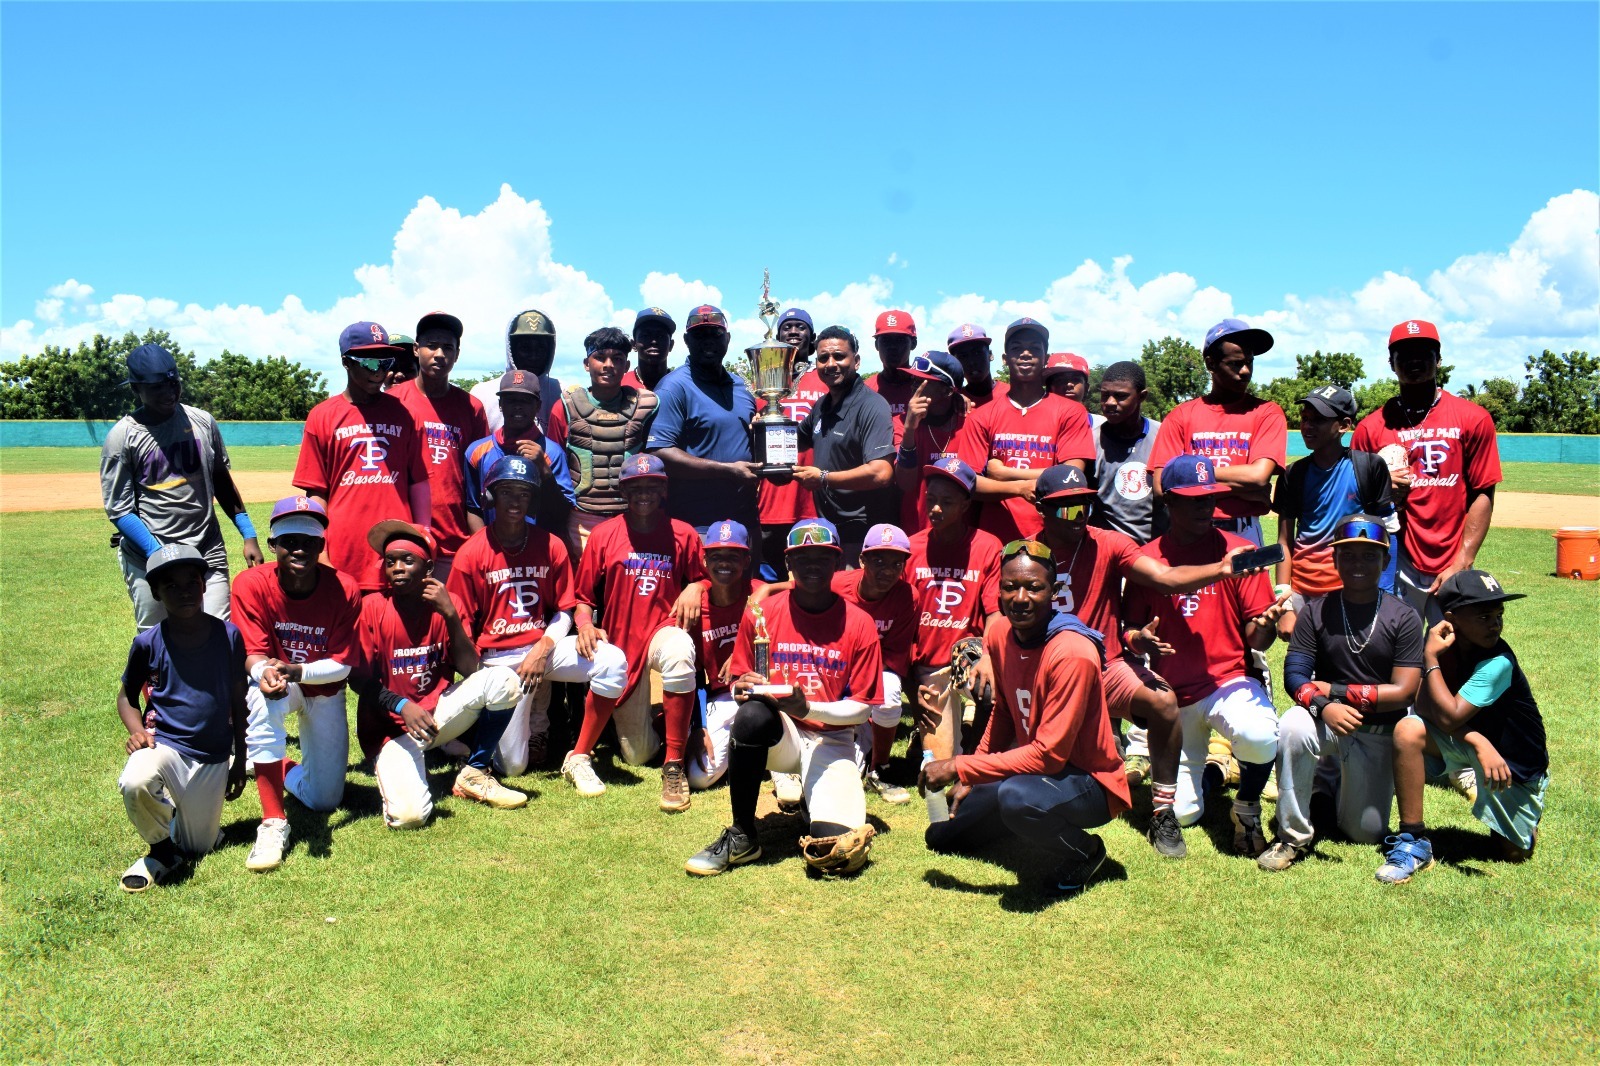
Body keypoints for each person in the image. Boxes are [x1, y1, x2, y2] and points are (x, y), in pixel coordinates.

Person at [1032, 464, 1266, 858]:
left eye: (1084, 505)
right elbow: (1002, 616)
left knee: (1161, 700)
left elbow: (1164, 578)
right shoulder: (1024, 553)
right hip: (1043, 671)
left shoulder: (1109, 543)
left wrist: (1222, 569)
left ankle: (1162, 812)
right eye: (1064, 508)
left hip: (1105, 667)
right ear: (1041, 509)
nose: (1077, 516)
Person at [920, 541, 1132, 898]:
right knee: (941, 837)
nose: (1020, 598)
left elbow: (1049, 755)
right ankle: (1015, 818)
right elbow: (1004, 711)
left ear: (1054, 591)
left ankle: (1087, 851)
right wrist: (974, 773)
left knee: (1017, 799)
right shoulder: (999, 633)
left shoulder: (1072, 652)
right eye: (1010, 587)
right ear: (998, 589)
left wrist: (960, 766)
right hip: (1033, 772)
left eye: (1034, 587)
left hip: (1089, 783)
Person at [684, 519, 885, 878]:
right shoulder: (762, 613)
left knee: (834, 851)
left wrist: (809, 707)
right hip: (783, 733)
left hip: (832, 738)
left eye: (822, 558)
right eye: (802, 558)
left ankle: (815, 798)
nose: (812, 566)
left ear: (837, 563)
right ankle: (743, 835)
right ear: (788, 563)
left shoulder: (859, 622)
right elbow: (742, 680)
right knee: (751, 715)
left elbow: (862, 708)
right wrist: (740, 689)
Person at [1121, 456, 1287, 856]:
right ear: (1168, 502)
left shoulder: (1240, 551)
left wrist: (1264, 625)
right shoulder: (1147, 558)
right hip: (1172, 696)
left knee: (1260, 735)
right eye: (1192, 499)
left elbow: (1257, 640)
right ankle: (1214, 772)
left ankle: (1246, 806)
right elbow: (1127, 631)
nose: (1204, 507)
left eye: (1209, 498)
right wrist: (1139, 640)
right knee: (1184, 813)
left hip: (1226, 681)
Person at [446, 456, 628, 781]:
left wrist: (542, 648)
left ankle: (578, 754)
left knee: (612, 661)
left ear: (533, 499)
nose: (515, 501)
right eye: (506, 492)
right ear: (491, 496)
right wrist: (480, 677)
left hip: (543, 650)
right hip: (499, 661)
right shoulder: (471, 553)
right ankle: (487, 722)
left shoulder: (550, 544)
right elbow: (461, 627)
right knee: (514, 767)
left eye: (524, 493)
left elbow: (564, 609)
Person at [1260, 515, 1422, 871]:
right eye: (1347, 555)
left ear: (1385, 560)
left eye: (1369, 555)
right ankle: (1292, 835)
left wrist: (1336, 692)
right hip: (1328, 721)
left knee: (1364, 833)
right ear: (1334, 559)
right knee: (1293, 725)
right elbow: (1295, 676)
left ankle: (1325, 788)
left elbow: (1405, 692)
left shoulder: (1404, 616)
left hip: (1377, 730)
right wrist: (1323, 706)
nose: (1357, 564)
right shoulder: (1315, 611)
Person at [353, 520, 529, 829]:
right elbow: (358, 679)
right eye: (390, 561)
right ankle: (405, 766)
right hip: (390, 729)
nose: (397, 568)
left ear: (429, 568)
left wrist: (450, 616)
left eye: (408, 560)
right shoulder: (372, 607)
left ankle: (474, 773)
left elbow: (470, 669)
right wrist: (400, 705)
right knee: (410, 817)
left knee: (504, 680)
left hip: (437, 718)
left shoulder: (449, 605)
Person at [1378, 570, 1547, 883]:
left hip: (1513, 765)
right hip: (1475, 747)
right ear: (1451, 619)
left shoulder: (1498, 662)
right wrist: (1478, 742)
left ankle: (1524, 818)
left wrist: (1430, 657)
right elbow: (1423, 706)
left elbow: (1449, 717)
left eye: (1499, 615)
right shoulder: (1443, 647)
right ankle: (1413, 838)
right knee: (1408, 730)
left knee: (1513, 852)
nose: (1495, 624)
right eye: (1483, 617)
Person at [230, 497, 365, 873]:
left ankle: (275, 765)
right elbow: (253, 653)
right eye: (289, 541)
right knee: (264, 701)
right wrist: (265, 673)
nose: (300, 549)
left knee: (324, 800)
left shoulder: (344, 588)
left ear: (322, 545)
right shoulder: (250, 583)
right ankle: (273, 822)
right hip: (281, 682)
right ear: (272, 544)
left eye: (310, 542)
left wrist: (295, 670)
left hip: (322, 687)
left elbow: (341, 666)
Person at [569, 454, 706, 810]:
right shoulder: (603, 534)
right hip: (622, 645)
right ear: (624, 492)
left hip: (663, 630)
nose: (644, 494)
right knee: (637, 754)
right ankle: (669, 722)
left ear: (663, 491)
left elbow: (705, 578)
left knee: (680, 651)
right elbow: (583, 598)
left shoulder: (683, 533)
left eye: (651, 487)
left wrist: (696, 586)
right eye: (636, 488)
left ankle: (674, 764)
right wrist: (585, 624)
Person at [114, 545, 248, 891]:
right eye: (171, 585)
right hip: (165, 744)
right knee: (136, 780)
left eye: (192, 582)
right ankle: (161, 851)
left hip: (213, 755)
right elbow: (126, 697)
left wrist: (239, 760)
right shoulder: (147, 642)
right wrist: (137, 731)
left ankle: (177, 814)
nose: (184, 591)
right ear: (156, 592)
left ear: (204, 585)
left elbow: (238, 700)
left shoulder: (228, 636)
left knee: (198, 846)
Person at [101, 343, 262, 630]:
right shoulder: (123, 437)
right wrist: (158, 554)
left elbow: (222, 482)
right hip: (150, 554)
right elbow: (120, 510)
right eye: (157, 387)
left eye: (173, 383)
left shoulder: (202, 422)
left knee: (217, 632)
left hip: (206, 548)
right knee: (156, 637)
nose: (169, 392)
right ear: (136, 389)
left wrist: (248, 534)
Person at [1351, 320, 1502, 623]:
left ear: (1439, 359)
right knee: (1392, 642)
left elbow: (1483, 491)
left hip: (1452, 558)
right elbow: (1354, 500)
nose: (1414, 361)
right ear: (1391, 363)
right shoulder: (1370, 428)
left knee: (1450, 644)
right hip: (1395, 557)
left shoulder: (1473, 418)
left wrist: (1464, 558)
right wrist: (1380, 490)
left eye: (1424, 353)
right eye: (1404, 355)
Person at [293, 322, 431, 593]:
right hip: (344, 548)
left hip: (397, 549)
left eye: (385, 362)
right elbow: (317, 491)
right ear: (346, 362)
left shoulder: (406, 414)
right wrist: (321, 549)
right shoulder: (322, 416)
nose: (379, 371)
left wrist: (423, 533)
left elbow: (419, 482)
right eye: (368, 362)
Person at [1089, 360, 1166, 786]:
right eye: (1105, 395)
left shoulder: (1160, 437)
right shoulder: (1092, 437)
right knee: (1107, 649)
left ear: (1142, 397)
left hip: (1148, 561)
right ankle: (1108, 739)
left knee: (1148, 645)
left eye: (1121, 396)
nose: (1111, 403)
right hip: (1103, 562)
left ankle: (1142, 747)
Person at [955, 317, 1094, 544]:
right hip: (996, 539)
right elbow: (968, 483)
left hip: (1054, 537)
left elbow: (1071, 476)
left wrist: (1004, 474)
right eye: (1017, 348)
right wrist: (1021, 488)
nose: (1026, 354)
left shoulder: (1071, 412)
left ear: (1046, 359)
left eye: (1035, 348)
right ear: (1004, 359)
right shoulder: (982, 415)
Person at [1149, 318, 1286, 548]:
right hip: (1190, 535)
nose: (1246, 371)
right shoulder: (1181, 416)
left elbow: (1258, 476)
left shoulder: (1266, 412)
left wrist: (1188, 480)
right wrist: (1243, 491)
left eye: (1250, 362)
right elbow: (1162, 488)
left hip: (1244, 533)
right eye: (1236, 364)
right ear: (1211, 363)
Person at [1273, 386, 1395, 639]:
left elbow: (1386, 535)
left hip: (1353, 589)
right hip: (1303, 591)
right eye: (1305, 418)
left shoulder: (1369, 467)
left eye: (1318, 419)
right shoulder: (1293, 474)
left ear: (1344, 425)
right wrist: (1284, 603)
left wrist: (1383, 592)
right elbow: (1284, 541)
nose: (1307, 426)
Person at [907, 458, 1003, 762]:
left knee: (990, 692)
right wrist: (911, 688)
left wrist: (989, 656)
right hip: (927, 665)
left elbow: (995, 613)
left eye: (947, 502)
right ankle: (931, 737)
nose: (936, 508)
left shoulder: (987, 546)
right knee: (938, 763)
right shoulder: (911, 548)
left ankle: (976, 753)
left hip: (969, 657)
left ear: (965, 505)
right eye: (931, 499)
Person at [646, 304, 761, 556]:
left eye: (715, 334)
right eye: (699, 335)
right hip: (697, 525)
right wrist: (728, 470)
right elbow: (659, 452)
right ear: (687, 340)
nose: (708, 341)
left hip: (745, 523)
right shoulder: (673, 387)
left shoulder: (742, 387)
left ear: (727, 338)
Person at [386, 311, 489, 582]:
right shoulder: (393, 402)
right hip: (403, 537)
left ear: (457, 354)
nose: (440, 354)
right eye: (431, 345)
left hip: (455, 539)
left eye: (448, 347)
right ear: (416, 349)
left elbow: (478, 475)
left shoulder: (471, 407)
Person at [547, 326, 659, 552]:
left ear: (626, 365)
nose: (609, 365)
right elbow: (554, 468)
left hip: (631, 517)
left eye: (617, 358)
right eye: (600, 357)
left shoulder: (645, 407)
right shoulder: (566, 407)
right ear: (586, 364)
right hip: (581, 519)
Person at [791, 325, 897, 562]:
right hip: (829, 531)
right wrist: (766, 425)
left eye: (839, 356)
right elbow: (794, 442)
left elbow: (881, 473)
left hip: (861, 535)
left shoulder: (872, 406)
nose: (830, 364)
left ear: (856, 361)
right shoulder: (822, 405)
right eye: (823, 358)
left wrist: (823, 478)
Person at [833, 523, 916, 803]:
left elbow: (894, 656)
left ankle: (879, 768)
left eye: (896, 563)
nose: (888, 571)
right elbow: (792, 593)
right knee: (842, 774)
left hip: (874, 670)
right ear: (862, 560)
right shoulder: (836, 585)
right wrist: (762, 593)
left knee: (890, 693)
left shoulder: (907, 596)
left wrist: (858, 682)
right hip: (832, 670)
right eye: (878, 561)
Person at [688, 520, 766, 791]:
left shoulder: (761, 593)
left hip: (762, 694)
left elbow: (793, 589)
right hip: (723, 698)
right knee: (699, 776)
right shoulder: (694, 606)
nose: (724, 563)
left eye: (733, 556)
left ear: (746, 560)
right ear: (704, 560)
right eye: (716, 556)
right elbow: (693, 675)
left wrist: (741, 652)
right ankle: (744, 746)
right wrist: (698, 726)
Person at [755, 307, 825, 579]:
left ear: (813, 337)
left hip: (812, 502)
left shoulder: (826, 379)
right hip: (770, 502)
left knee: (811, 584)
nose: (793, 332)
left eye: (801, 327)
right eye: (787, 327)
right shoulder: (763, 379)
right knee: (767, 586)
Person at [463, 369, 575, 538]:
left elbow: (563, 514)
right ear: (500, 404)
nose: (517, 406)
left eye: (525, 401)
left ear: (538, 406)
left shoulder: (552, 453)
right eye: (511, 400)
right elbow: (473, 507)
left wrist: (544, 470)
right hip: (492, 547)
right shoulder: (476, 451)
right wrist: (483, 546)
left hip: (537, 548)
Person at [893, 350, 969, 535]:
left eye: (922, 381)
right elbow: (905, 483)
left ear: (947, 390)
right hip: (915, 531)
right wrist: (910, 430)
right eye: (913, 379)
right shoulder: (901, 421)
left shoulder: (969, 423)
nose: (914, 386)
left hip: (960, 535)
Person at [471, 309, 563, 435]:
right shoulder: (483, 394)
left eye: (541, 348)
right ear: (511, 350)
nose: (533, 356)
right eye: (525, 348)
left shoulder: (563, 394)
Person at [865, 309, 920, 442]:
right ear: (876, 345)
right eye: (886, 341)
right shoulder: (865, 391)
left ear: (913, 343)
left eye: (900, 340)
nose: (892, 347)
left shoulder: (925, 388)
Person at [948, 323, 1006, 408]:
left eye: (977, 353)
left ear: (990, 355)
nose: (972, 362)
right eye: (963, 356)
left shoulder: (1013, 395)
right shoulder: (954, 405)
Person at [623, 307, 676, 391]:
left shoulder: (681, 384)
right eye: (645, 336)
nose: (654, 342)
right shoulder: (621, 385)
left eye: (661, 336)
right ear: (634, 344)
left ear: (671, 345)